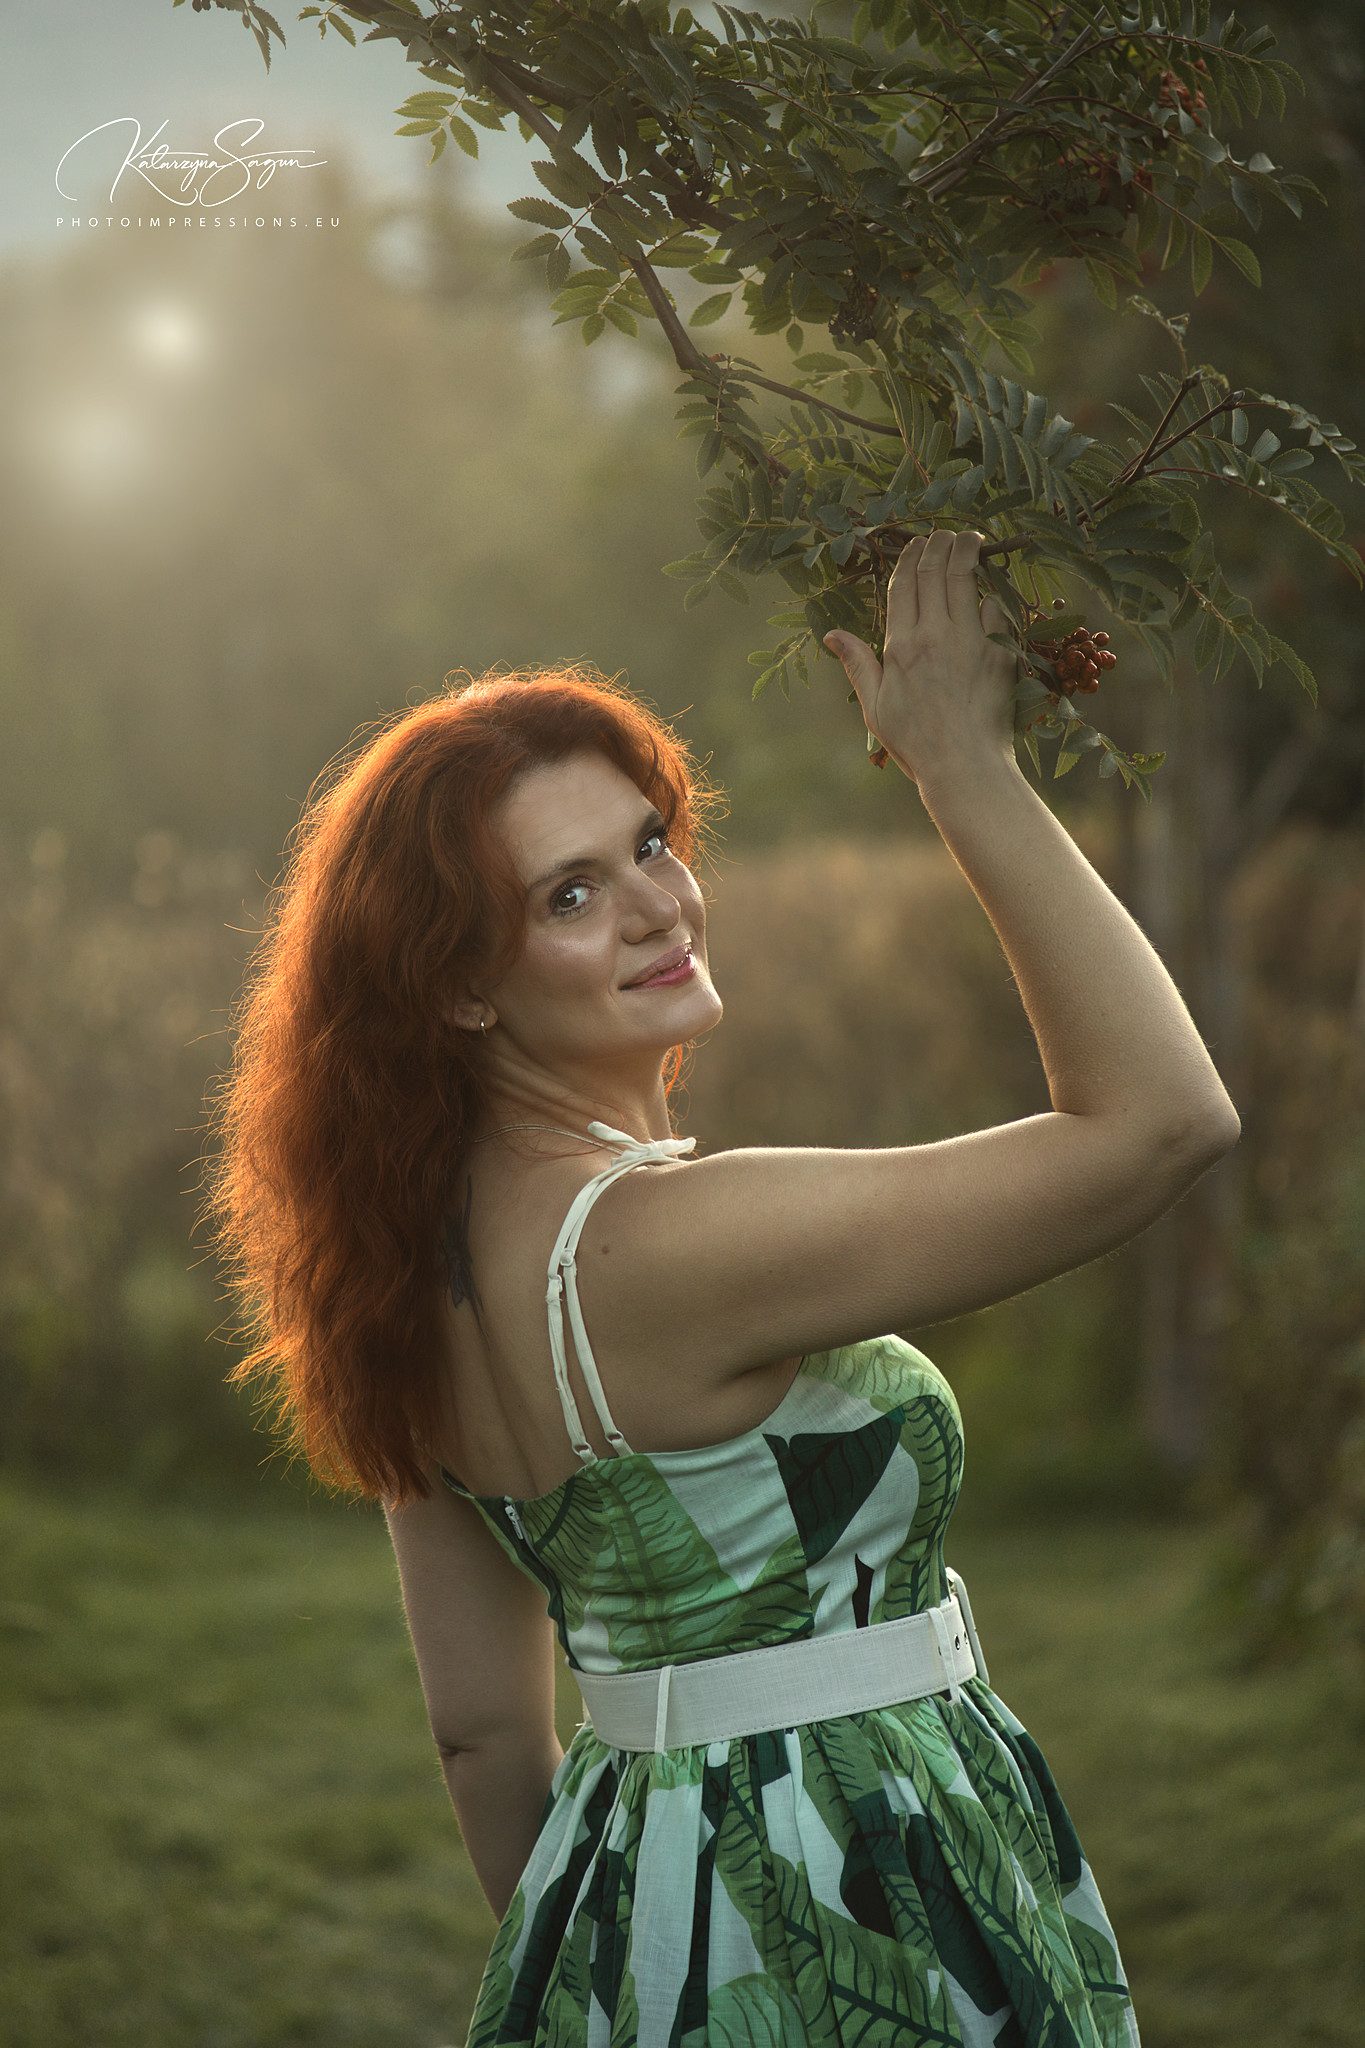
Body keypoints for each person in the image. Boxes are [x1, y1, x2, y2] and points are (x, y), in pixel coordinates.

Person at [212, 528, 1239, 2046]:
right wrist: (964, 768)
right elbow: (1161, 1124)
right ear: (460, 985)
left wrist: (632, 1967)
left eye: (648, 844)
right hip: (858, 1889)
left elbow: (482, 1734)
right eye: (569, 895)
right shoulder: (674, 1245)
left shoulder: (406, 1275)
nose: (657, 905)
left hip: (626, 1897)